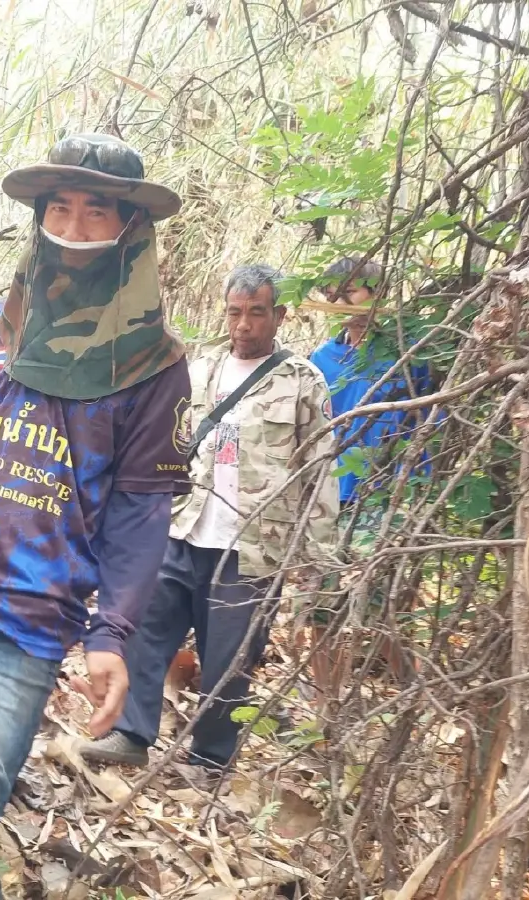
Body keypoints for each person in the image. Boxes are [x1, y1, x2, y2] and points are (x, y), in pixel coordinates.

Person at [0, 134, 194, 899]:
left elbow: (143, 509)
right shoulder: (1, 324)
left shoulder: (155, 364)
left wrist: (111, 633)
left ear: (129, 230)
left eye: (95, 214)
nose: (73, 230)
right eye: (60, 210)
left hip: (28, 619)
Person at [80, 263, 339, 781]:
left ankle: (210, 757)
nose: (244, 325)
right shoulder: (201, 371)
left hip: (252, 546)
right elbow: (167, 447)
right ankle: (131, 734)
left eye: (257, 314)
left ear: (279, 316)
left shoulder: (302, 381)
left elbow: (320, 470)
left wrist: (315, 561)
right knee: (147, 630)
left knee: (228, 662)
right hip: (183, 528)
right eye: (236, 313)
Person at [305, 257, 432, 701]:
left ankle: (413, 691)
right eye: (332, 293)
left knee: (378, 604)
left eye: (352, 291)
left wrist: (416, 484)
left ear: (377, 294)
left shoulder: (408, 349)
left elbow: (433, 418)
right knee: (318, 603)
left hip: (387, 494)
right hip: (329, 497)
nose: (340, 302)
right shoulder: (321, 360)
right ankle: (328, 701)